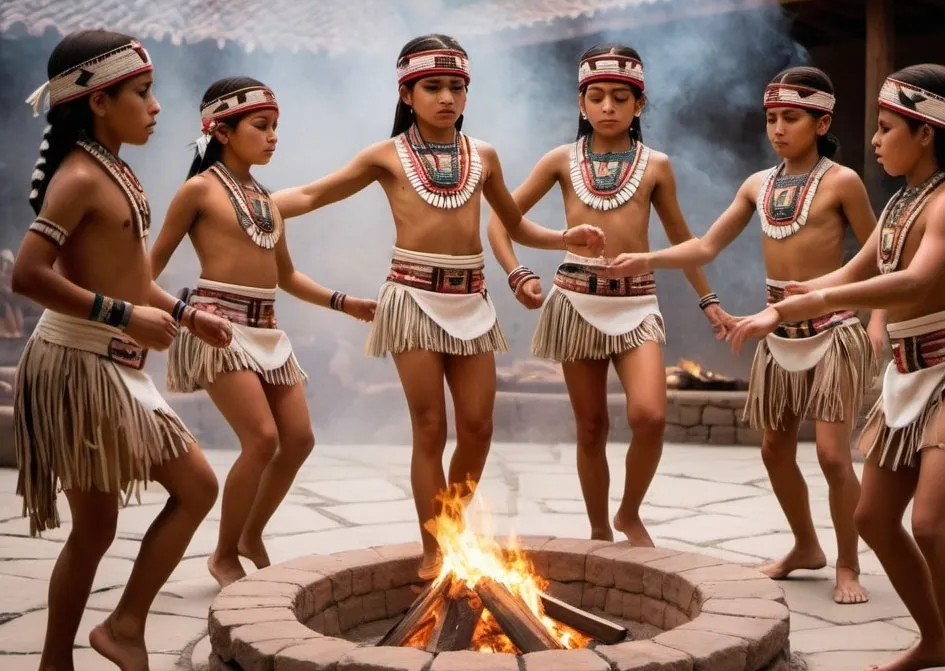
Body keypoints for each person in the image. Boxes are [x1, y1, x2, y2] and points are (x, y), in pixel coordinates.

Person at [727, 64, 945, 671]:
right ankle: (932, 639)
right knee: (871, 519)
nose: (878, 140)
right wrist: (773, 314)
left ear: (925, 134)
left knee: (931, 524)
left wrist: (828, 294)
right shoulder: (900, 202)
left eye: (888, 128)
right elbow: (859, 267)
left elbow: (913, 284)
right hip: (911, 374)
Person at [273, 34, 604, 578]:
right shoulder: (386, 155)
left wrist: (567, 239)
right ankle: (435, 546)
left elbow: (515, 224)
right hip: (412, 299)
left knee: (478, 427)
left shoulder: (485, 156)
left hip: (471, 299)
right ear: (407, 94)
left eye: (455, 87)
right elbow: (312, 195)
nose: (445, 97)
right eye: (432, 87)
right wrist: (249, 204)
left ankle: (451, 520)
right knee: (430, 427)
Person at [11, 30, 231, 671]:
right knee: (117, 517)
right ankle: (60, 668)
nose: (156, 106)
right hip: (77, 364)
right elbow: (27, 275)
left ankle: (123, 625)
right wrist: (122, 316)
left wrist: (189, 314)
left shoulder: (112, 169)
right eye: (142, 94)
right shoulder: (79, 177)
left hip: (109, 360)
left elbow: (132, 279)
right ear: (100, 102)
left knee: (190, 490)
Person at [604, 67, 884, 603]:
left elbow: (879, 258)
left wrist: (877, 321)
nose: (778, 128)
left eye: (791, 118)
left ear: (822, 122)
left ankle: (848, 564)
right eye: (772, 118)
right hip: (778, 335)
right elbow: (706, 246)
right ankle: (806, 546)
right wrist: (648, 257)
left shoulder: (843, 181)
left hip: (833, 330)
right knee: (775, 449)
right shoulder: (758, 184)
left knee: (831, 455)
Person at [489, 45, 730, 546]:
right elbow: (500, 222)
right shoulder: (560, 160)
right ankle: (599, 530)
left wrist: (711, 304)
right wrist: (519, 275)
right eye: (595, 97)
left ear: (639, 105)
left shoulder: (657, 165)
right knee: (592, 425)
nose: (607, 107)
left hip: (637, 305)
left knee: (650, 416)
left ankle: (628, 513)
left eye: (620, 97)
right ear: (581, 104)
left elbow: (686, 241)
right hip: (575, 305)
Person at [149, 77, 377, 589]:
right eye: (261, 126)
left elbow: (287, 277)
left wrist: (344, 302)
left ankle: (251, 534)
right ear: (222, 131)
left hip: (268, 331)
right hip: (218, 328)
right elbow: (145, 270)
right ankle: (224, 554)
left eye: (276, 127)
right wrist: (182, 315)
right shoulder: (198, 190)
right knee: (262, 439)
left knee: (298, 439)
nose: (273, 136)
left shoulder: (264, 199)